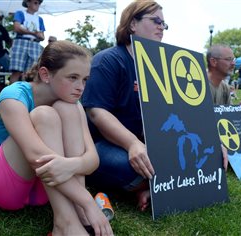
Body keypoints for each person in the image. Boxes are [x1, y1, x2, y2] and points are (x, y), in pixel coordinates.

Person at [0, 40, 113, 236]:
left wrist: (70, 165)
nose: (81, 87)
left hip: (41, 188)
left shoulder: (72, 103)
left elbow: (92, 159)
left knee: (67, 109)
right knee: (45, 115)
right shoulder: (14, 97)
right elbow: (36, 155)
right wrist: (88, 201)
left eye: (85, 79)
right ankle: (67, 224)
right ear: (45, 74)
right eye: (73, 77)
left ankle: (75, 214)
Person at [82, 0, 169, 212]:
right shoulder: (108, 60)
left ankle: (149, 186)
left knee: (184, 153)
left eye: (164, 24)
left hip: (140, 141)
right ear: (132, 24)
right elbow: (96, 112)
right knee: (129, 166)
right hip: (98, 144)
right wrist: (132, 144)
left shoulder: (159, 68)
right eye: (156, 21)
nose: (161, 27)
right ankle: (152, 184)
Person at [206, 44, 241, 169]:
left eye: (234, 59)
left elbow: (227, 117)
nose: (233, 64)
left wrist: (240, 109)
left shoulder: (225, 87)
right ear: (213, 62)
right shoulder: (198, 84)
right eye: (228, 59)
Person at [9, 0, 45, 84]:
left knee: (32, 72)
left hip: (35, 44)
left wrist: (36, 35)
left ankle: (28, 94)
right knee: (16, 71)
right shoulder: (20, 13)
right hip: (21, 42)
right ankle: (10, 94)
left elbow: (42, 36)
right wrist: (34, 33)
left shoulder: (39, 19)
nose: (38, 5)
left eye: (39, 3)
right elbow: (16, 28)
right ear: (28, 3)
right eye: (35, 2)